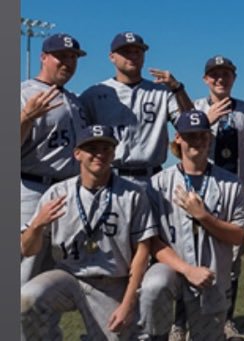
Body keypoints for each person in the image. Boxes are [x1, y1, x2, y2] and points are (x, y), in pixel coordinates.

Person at [21, 125, 159, 340]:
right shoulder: (57, 193)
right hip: (68, 277)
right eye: (91, 148)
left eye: (106, 148)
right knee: (28, 298)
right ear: (77, 154)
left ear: (114, 153)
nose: (99, 154)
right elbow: (28, 250)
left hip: (112, 282)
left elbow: (142, 252)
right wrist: (37, 225)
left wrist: (128, 303)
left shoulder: (132, 194)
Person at [137, 111, 244, 340]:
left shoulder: (231, 183)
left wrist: (204, 216)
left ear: (210, 138)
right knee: (154, 286)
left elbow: (238, 236)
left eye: (202, 135)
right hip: (171, 268)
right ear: (178, 138)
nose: (196, 141)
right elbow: (152, 240)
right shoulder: (157, 184)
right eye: (190, 136)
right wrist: (187, 270)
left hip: (212, 273)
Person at [190, 55, 244, 339]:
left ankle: (226, 320)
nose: (220, 79)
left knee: (231, 261)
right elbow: (182, 145)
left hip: (237, 192)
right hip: (202, 190)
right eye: (215, 74)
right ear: (206, 79)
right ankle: (183, 321)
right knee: (194, 256)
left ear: (234, 77)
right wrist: (207, 121)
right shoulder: (196, 108)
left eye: (226, 74)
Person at [79, 31, 193, 184]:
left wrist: (178, 88)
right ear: (112, 57)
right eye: (126, 52)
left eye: (137, 52)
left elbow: (191, 122)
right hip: (110, 176)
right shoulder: (94, 94)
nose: (133, 56)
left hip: (153, 177)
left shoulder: (162, 92)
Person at [20, 33, 88, 285]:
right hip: (31, 189)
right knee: (25, 269)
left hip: (65, 192)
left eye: (73, 57)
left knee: (51, 277)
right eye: (61, 56)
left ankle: (41, 326)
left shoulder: (75, 101)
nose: (67, 62)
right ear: (43, 57)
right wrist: (25, 117)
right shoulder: (24, 93)